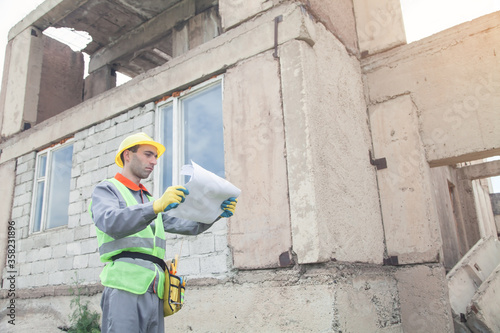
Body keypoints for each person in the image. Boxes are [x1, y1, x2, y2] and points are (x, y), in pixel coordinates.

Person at [89, 132, 237, 333]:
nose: (154, 161)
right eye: (148, 154)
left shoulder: (149, 201)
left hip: (156, 289)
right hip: (125, 285)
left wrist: (216, 212)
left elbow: (187, 225)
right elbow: (110, 222)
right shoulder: (107, 189)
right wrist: (156, 206)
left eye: (156, 157)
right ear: (127, 155)